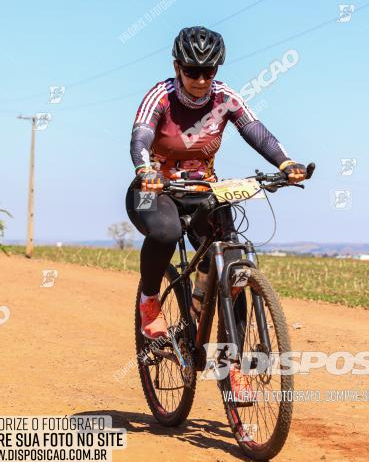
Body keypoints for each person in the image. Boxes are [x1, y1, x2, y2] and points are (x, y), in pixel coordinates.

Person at [126, 26, 307, 341]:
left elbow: (254, 129)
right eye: (192, 71)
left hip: (202, 189)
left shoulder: (225, 97)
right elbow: (141, 134)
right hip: (152, 189)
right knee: (166, 232)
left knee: (231, 263)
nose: (200, 80)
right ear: (177, 68)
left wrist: (285, 162)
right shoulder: (161, 96)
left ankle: (229, 359)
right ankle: (150, 301)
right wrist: (145, 170)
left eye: (207, 71)